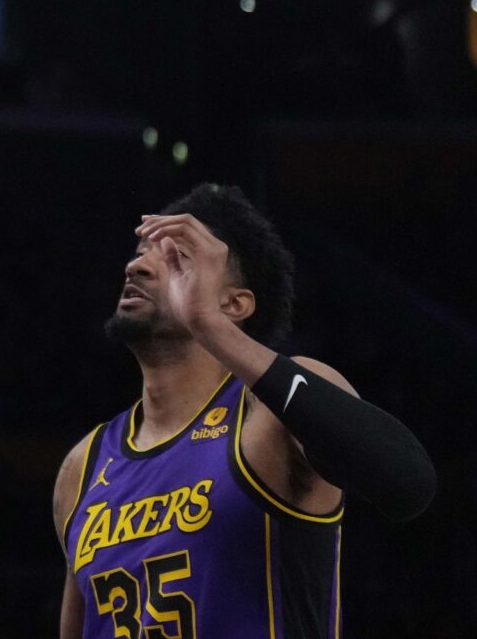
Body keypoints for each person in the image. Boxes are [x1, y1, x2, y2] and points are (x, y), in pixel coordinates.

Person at [55, 184, 437, 636]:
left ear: (234, 304)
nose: (137, 265)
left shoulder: (265, 415)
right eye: (141, 252)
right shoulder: (84, 465)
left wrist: (210, 327)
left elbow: (408, 482)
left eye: (176, 257)